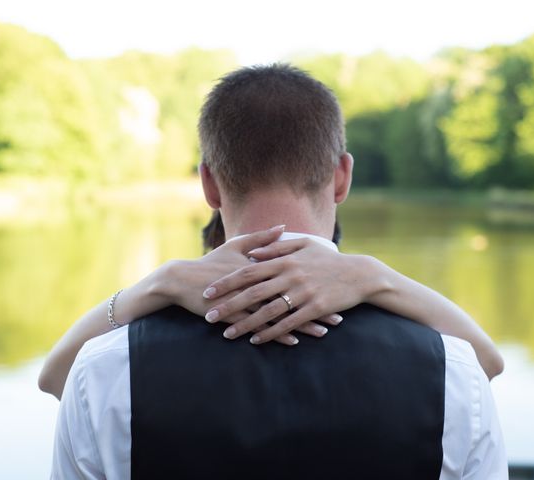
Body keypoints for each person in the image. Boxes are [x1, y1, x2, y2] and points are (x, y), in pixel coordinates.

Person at [44, 64, 507, 479]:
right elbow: (487, 365)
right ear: (342, 176)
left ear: (208, 183)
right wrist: (376, 277)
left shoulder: (105, 369)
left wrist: (157, 284)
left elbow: (56, 379)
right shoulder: (454, 373)